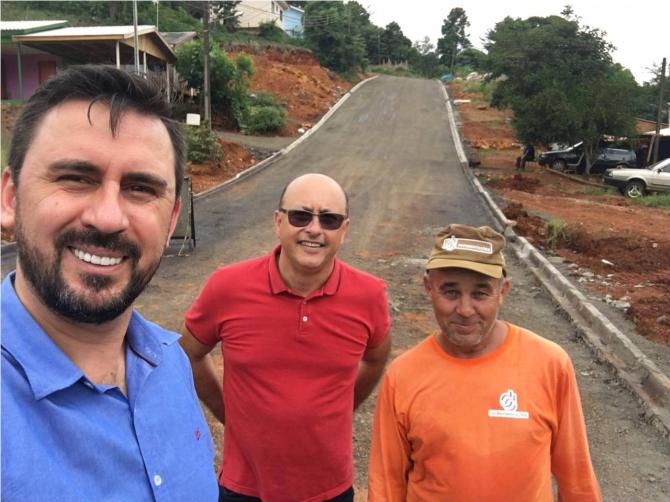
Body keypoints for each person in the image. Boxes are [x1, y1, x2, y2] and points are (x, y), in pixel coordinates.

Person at [1, 65, 218, 501]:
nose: (107, 218)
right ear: (10, 199)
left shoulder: (170, 363)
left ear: (171, 220)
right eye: (76, 179)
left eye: (140, 188)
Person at [179, 173, 391, 502]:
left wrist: (340, 407)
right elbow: (187, 353)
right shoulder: (227, 287)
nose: (314, 229)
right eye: (300, 216)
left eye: (330, 220)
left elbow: (376, 359)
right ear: (278, 222)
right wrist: (228, 414)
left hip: (329, 490)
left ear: (344, 230)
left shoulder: (369, 295)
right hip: (244, 488)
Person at [368, 224, 601, 502]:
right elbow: (386, 484)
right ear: (428, 288)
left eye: (480, 293)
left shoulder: (550, 364)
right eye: (450, 292)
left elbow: (576, 476)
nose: (466, 310)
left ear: (503, 291)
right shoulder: (403, 375)